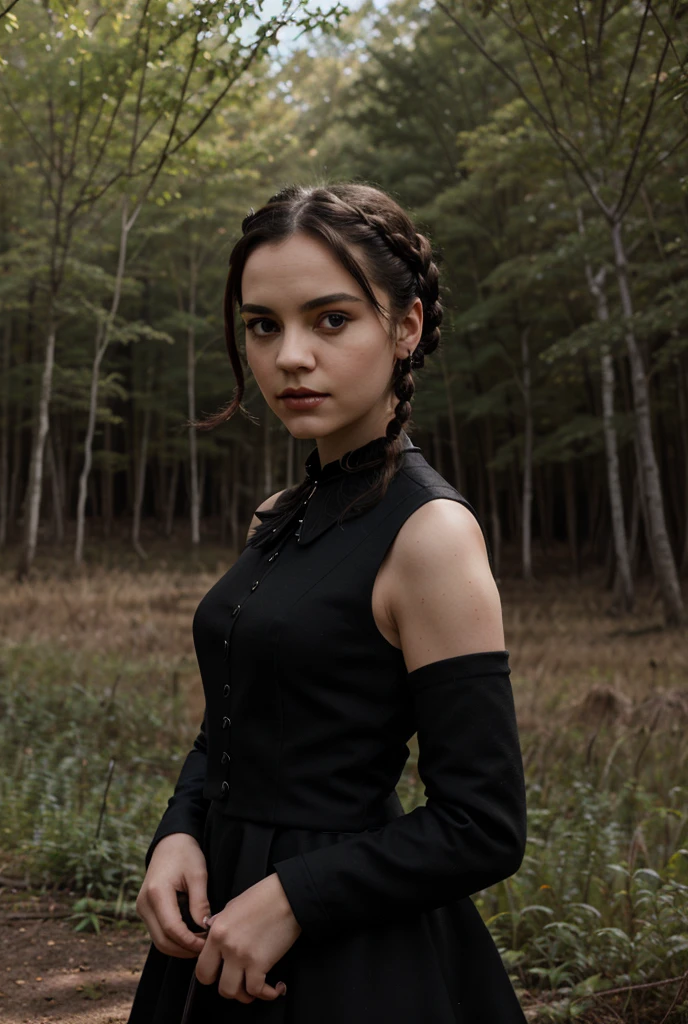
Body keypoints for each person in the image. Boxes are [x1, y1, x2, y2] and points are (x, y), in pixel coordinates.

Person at [127, 182, 528, 1023]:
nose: (289, 357)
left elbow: (482, 823)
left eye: (331, 319)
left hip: (350, 957)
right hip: (217, 929)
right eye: (263, 325)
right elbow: (233, 726)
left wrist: (294, 898)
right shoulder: (276, 517)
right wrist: (179, 830)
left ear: (406, 326)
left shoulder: (431, 535)